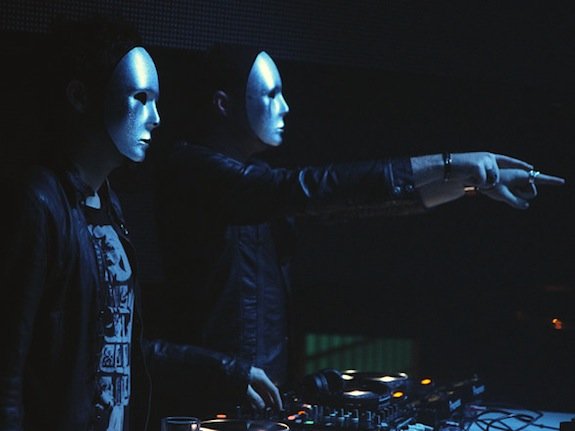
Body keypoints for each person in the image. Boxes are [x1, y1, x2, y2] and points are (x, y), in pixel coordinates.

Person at [153, 45, 564, 417]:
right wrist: (451, 163)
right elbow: (307, 188)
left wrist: (474, 180)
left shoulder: (258, 180)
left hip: (260, 406)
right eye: (272, 95)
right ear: (223, 104)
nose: (286, 107)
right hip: (203, 408)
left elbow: (354, 203)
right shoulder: (193, 170)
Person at [0, 18, 266, 431]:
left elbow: (120, 345)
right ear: (80, 96)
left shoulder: (110, 206)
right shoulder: (38, 203)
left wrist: (227, 372)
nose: (155, 118)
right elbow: (8, 368)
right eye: (140, 98)